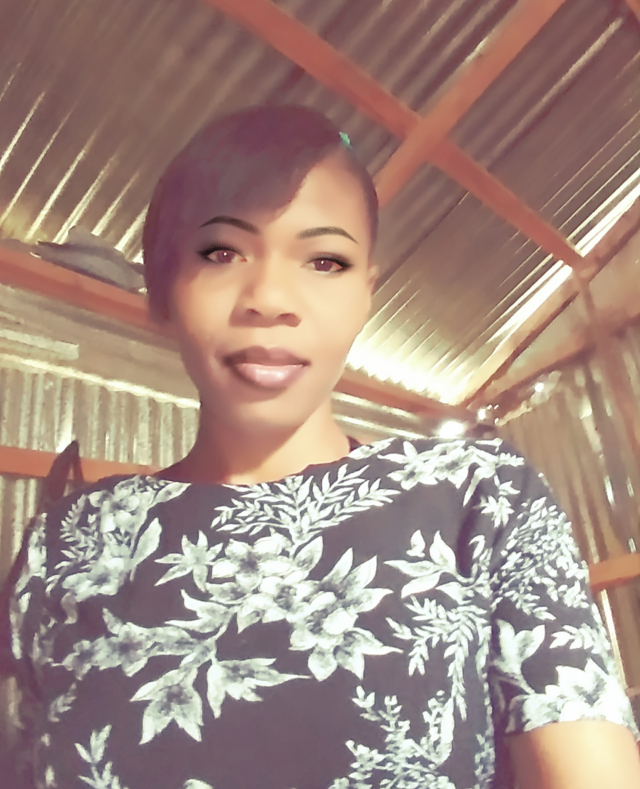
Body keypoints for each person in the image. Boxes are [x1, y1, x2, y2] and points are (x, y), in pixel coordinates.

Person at [1, 105, 639, 789]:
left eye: (325, 260)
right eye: (221, 252)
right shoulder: (66, 542)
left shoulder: (476, 496)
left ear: (365, 295)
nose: (271, 298)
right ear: (163, 289)